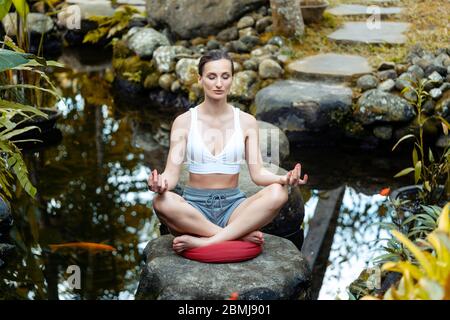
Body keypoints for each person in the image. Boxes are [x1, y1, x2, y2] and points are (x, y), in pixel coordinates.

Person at [148, 49, 308, 253]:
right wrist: (158, 183)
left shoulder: (247, 122)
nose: (218, 83)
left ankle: (205, 241)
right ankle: (235, 235)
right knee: (161, 201)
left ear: (232, 79)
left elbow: (258, 175)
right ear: (200, 79)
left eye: (225, 76)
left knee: (278, 193)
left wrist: (285, 179)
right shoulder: (184, 122)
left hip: (234, 207)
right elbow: (170, 176)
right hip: (195, 207)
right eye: (211, 77)